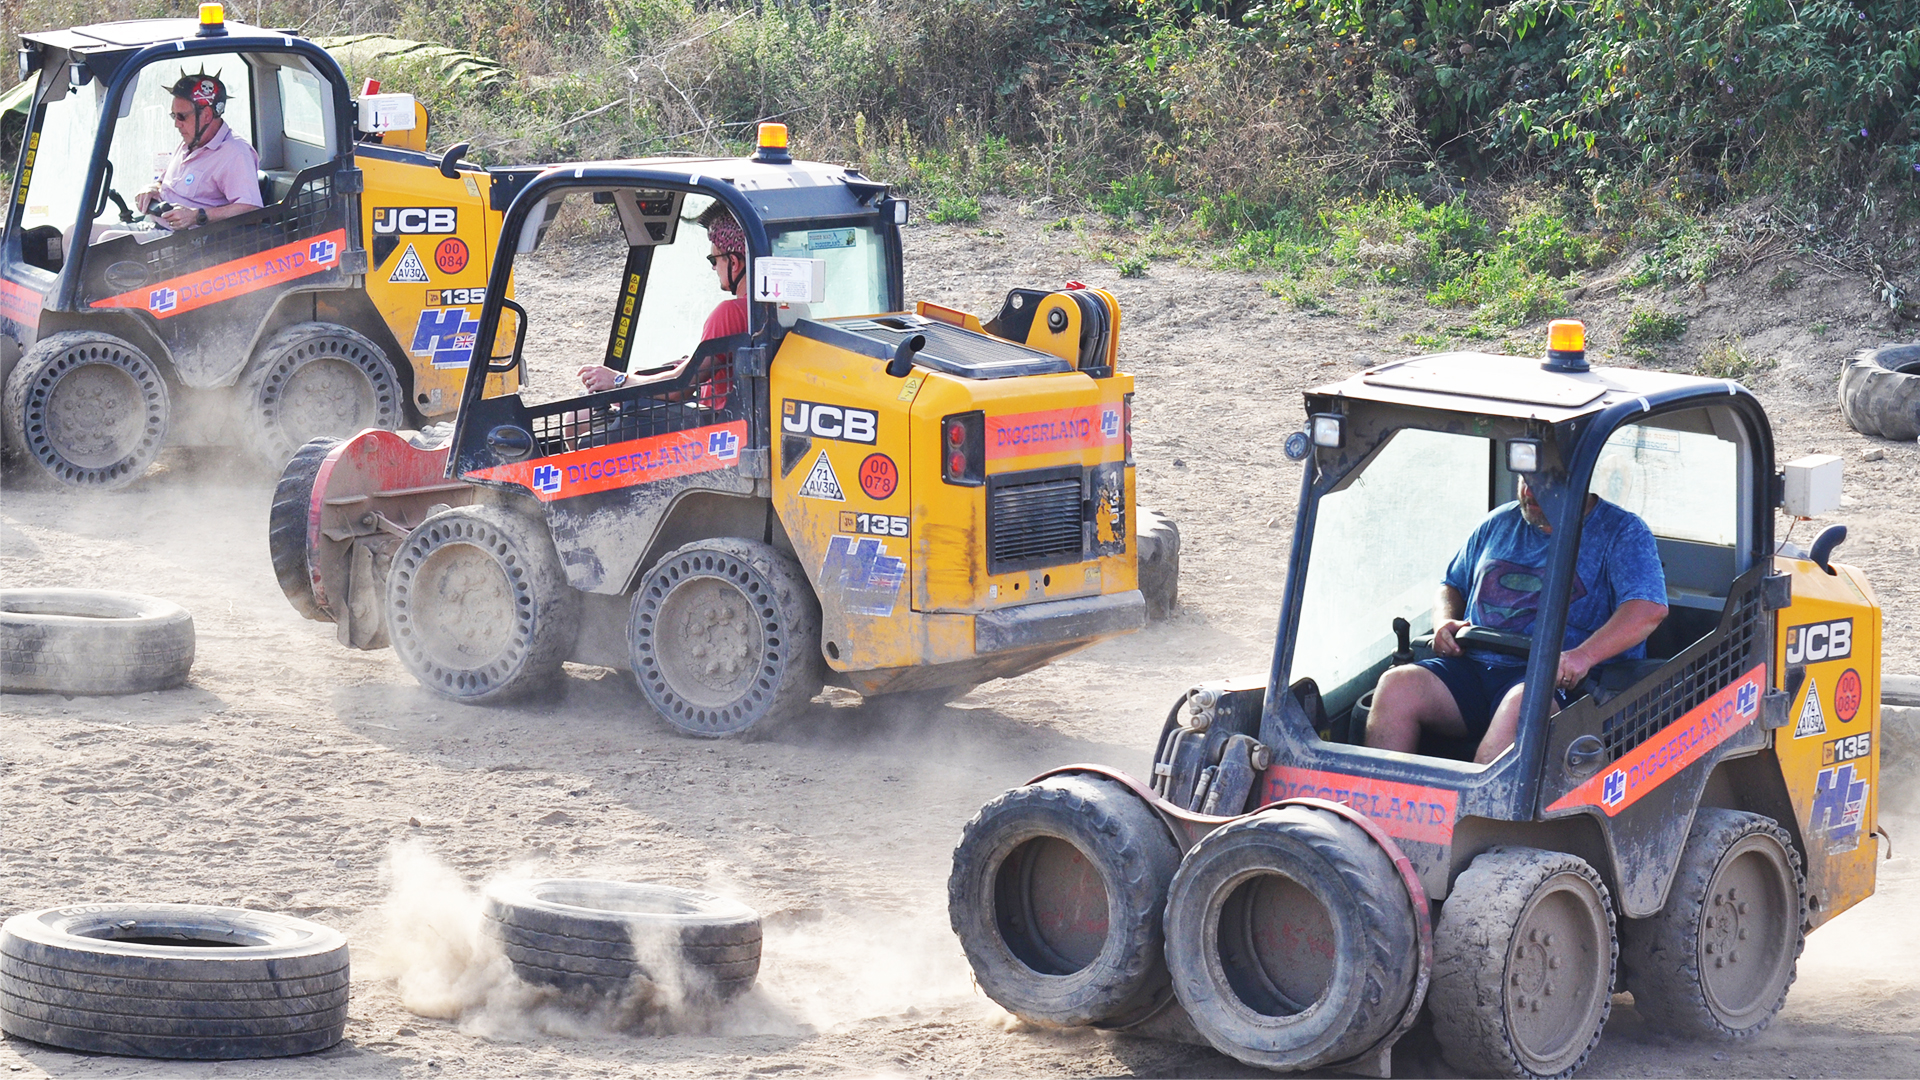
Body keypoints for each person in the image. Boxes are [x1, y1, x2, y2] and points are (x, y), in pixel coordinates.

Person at [1364, 475, 1669, 764]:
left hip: (1560, 680)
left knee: (1521, 705)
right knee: (1396, 686)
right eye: (1525, 479)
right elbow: (1451, 585)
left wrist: (1583, 656)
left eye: (1544, 482)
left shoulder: (1621, 532)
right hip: (1474, 664)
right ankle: (1377, 811)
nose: (1529, 491)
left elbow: (1648, 608)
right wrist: (1445, 621)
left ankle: (1472, 817)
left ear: (1581, 478)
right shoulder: (1499, 522)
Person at [575, 203, 746, 410]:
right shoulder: (770, 312)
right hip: (732, 417)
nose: (712, 267)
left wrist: (618, 380)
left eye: (714, 259)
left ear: (734, 262)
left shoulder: (729, 314)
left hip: (710, 424)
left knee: (579, 417)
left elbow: (677, 387)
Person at [135, 73, 262, 232]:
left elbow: (252, 210)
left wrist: (196, 216)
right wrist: (153, 188)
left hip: (182, 244)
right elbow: (164, 183)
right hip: (150, 225)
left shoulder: (235, 153)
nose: (176, 124)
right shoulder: (191, 141)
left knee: (107, 241)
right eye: (173, 115)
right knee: (94, 232)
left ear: (207, 115)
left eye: (181, 116)